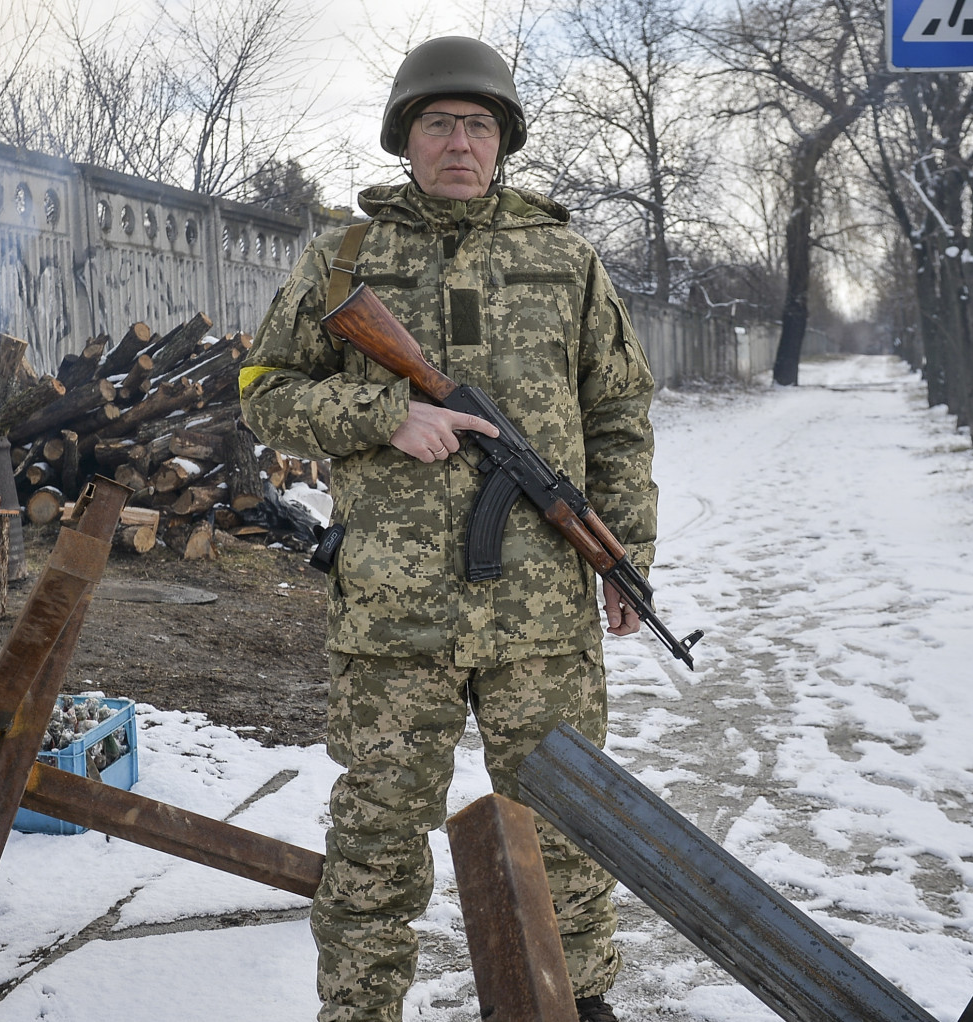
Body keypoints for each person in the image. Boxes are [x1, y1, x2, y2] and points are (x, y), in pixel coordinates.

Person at [238, 35, 657, 1022]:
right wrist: (384, 414)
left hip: (541, 609)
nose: (458, 142)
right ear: (405, 136)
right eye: (439, 123)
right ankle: (358, 1006)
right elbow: (262, 392)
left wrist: (622, 555)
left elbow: (619, 415)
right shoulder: (341, 260)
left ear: (502, 139)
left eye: (477, 124)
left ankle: (575, 997)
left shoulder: (564, 259)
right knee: (378, 832)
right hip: (393, 615)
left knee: (563, 822)